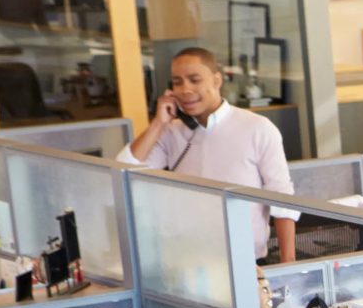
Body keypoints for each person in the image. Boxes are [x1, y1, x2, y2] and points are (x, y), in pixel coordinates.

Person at [116, 46, 297, 262]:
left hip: (246, 262)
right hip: (188, 260)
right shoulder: (171, 131)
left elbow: (283, 201)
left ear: (216, 80)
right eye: (177, 82)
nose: (185, 90)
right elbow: (123, 169)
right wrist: (158, 123)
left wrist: (288, 268)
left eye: (194, 80)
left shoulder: (257, 128)